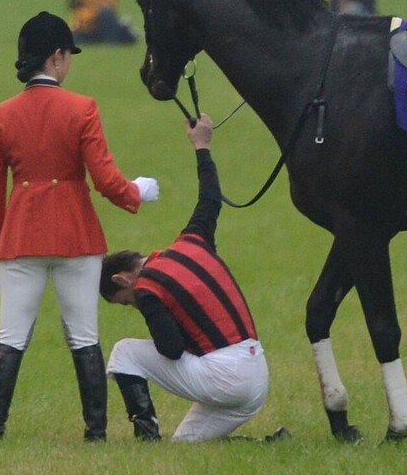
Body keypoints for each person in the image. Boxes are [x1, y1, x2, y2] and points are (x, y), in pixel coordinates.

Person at [0, 11, 160, 441]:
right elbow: (105, 180)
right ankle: (95, 431)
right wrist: (137, 191)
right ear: (57, 58)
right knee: (83, 336)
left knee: (11, 337)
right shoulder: (82, 108)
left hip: (21, 238)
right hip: (76, 235)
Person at [99, 115, 285, 443]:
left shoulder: (145, 288)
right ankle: (268, 445)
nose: (132, 303)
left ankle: (145, 437)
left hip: (225, 377)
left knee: (123, 352)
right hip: (256, 380)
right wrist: (201, 146)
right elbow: (210, 198)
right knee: (185, 445)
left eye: (124, 302)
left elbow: (170, 350)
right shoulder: (193, 239)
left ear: (123, 279)